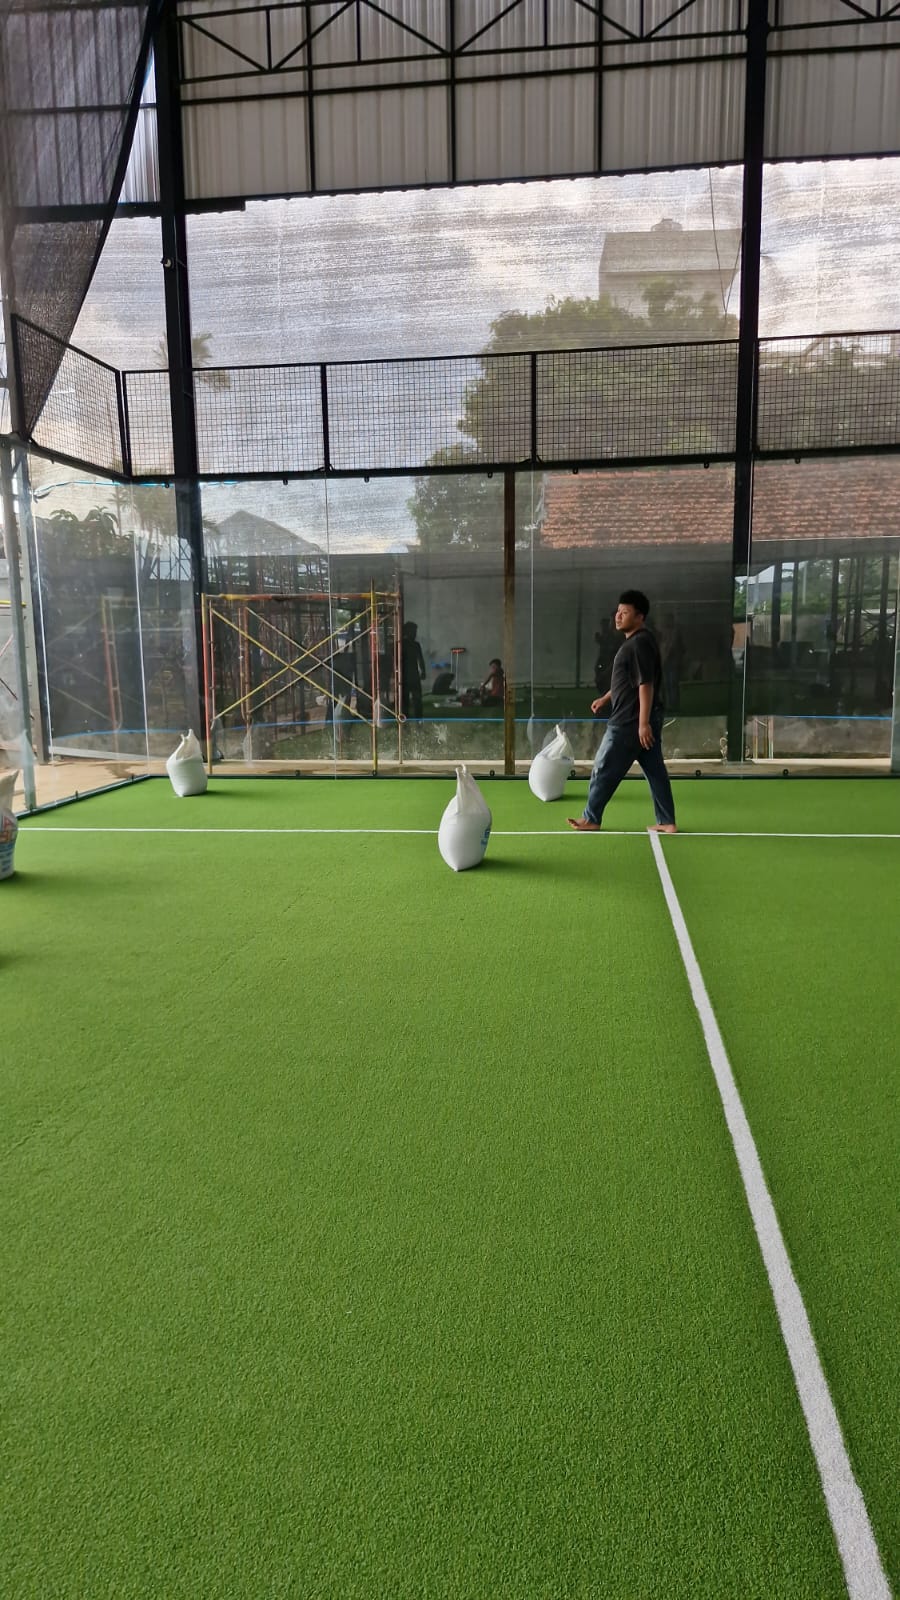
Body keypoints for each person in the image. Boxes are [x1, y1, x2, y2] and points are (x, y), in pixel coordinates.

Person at [568, 589, 677, 834]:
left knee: (603, 767)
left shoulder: (639, 643)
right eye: (618, 611)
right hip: (637, 719)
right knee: (655, 772)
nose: (618, 616)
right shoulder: (637, 642)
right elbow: (628, 681)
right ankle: (667, 822)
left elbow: (645, 684)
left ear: (639, 617)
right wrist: (606, 698)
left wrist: (642, 723)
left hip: (629, 722)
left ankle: (591, 818)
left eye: (625, 612)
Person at [401, 621, 426, 720]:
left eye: (415, 632)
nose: (415, 634)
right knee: (408, 699)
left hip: (412, 675)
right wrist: (423, 671)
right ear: (407, 632)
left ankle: (416, 718)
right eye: (413, 632)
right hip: (405, 676)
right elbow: (420, 659)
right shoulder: (402, 644)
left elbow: (420, 659)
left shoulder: (415, 645)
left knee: (416, 699)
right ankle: (407, 717)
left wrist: (423, 671)